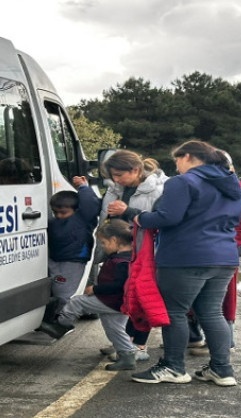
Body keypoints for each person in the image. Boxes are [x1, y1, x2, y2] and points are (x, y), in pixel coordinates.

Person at [131, 140, 241, 386]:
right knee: (212, 313)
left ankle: (173, 367)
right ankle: (222, 370)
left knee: (175, 311)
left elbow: (169, 217)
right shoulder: (233, 185)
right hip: (224, 257)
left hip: (186, 256)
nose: (177, 166)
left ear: (188, 156)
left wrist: (140, 217)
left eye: (177, 161)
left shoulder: (183, 182)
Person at [38, 219, 140, 371]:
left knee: (77, 302)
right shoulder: (127, 256)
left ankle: (61, 325)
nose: (103, 247)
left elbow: (119, 286)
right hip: (120, 302)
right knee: (115, 329)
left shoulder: (121, 262)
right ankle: (126, 354)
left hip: (113, 301)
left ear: (114, 240)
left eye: (104, 243)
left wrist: (95, 290)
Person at [91, 150, 164, 361]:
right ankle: (125, 341)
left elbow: (155, 219)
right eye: (113, 176)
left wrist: (126, 210)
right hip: (120, 250)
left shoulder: (157, 189)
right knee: (125, 295)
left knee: (142, 297)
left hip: (145, 251)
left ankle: (139, 346)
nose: (116, 179)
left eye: (120, 175)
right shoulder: (115, 188)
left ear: (136, 170)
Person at [188, 150, 241, 355]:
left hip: (224, 248)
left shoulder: (239, 190)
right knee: (198, 290)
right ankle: (198, 336)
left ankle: (223, 343)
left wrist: (223, 244)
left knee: (222, 295)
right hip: (210, 247)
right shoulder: (208, 187)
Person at [46, 176, 101, 314]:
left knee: (63, 292)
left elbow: (91, 204)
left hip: (73, 260)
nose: (59, 215)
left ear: (76, 210)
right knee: (55, 290)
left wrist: (82, 187)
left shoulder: (83, 219)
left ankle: (63, 319)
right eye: (55, 212)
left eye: (63, 212)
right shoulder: (54, 222)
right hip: (54, 258)